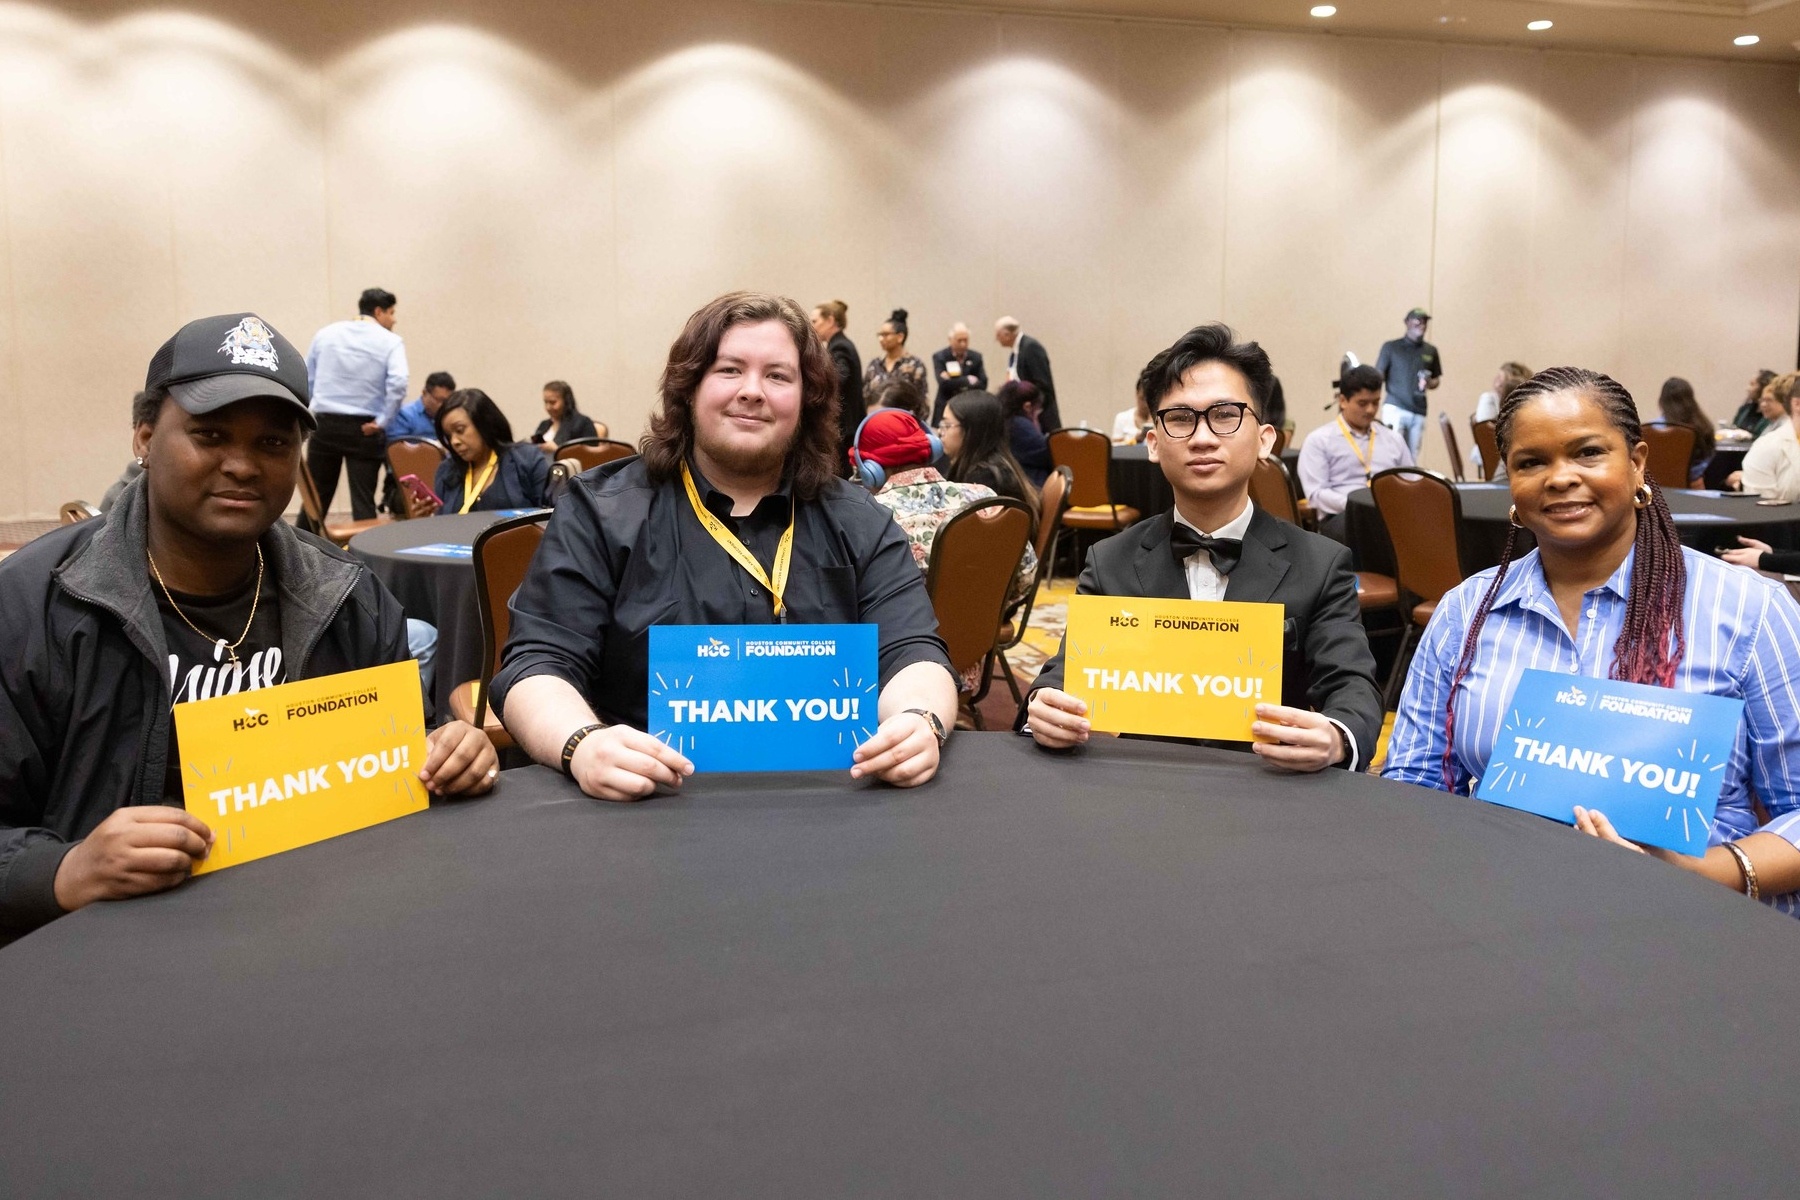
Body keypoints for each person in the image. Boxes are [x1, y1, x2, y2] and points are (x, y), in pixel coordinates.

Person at [0, 313, 497, 945]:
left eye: (272, 444)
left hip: (320, 928)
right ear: (145, 438)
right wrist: (64, 871)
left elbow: (402, 763)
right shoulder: (33, 605)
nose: (242, 465)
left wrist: (449, 755)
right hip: (109, 950)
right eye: (209, 435)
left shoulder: (349, 597)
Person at [492, 291, 959, 800]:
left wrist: (919, 719)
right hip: (645, 805)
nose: (752, 391)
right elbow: (537, 663)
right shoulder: (601, 512)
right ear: (689, 388)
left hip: (831, 803)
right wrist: (582, 743)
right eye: (730, 370)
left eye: (778, 376)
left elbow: (914, 651)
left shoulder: (860, 519)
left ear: (806, 401)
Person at [1384, 367, 1800, 914]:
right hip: (1498, 908)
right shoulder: (1466, 613)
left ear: (1638, 462)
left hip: (1690, 918)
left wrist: (1706, 873)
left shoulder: (1748, 610)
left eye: (1587, 453)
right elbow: (1414, 781)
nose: (1560, 478)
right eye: (1531, 462)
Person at [1022, 323, 1384, 773]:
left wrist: (1335, 737)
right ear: (1153, 443)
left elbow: (1353, 687)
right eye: (1180, 418)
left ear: (1265, 439)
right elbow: (1064, 675)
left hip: (1272, 790)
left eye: (1226, 415)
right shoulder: (1110, 560)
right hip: (1143, 785)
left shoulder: (1321, 563)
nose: (1202, 438)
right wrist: (1045, 706)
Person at [857, 408, 1037, 628]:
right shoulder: (984, 497)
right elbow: (1027, 575)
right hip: (978, 636)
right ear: (931, 448)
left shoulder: (870, 515)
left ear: (870, 470)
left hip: (901, 644)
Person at [305, 287, 409, 521]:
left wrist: (310, 413)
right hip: (365, 429)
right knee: (363, 502)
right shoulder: (391, 341)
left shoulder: (325, 334)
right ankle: (364, 546)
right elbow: (399, 382)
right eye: (391, 313)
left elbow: (307, 377)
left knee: (315, 500)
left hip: (324, 424)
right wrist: (382, 421)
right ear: (379, 311)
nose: (394, 320)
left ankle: (298, 544)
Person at [1296, 363, 1414, 543]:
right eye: (1362, 403)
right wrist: (1358, 506)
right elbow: (1317, 495)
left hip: (1388, 514)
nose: (1370, 410)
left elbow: (1411, 483)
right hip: (1342, 516)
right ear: (1343, 401)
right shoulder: (1319, 440)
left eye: (1376, 402)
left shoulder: (1393, 439)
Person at [427, 389, 551, 514]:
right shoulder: (446, 471)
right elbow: (441, 522)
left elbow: (551, 517)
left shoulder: (527, 459)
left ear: (484, 423)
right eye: (448, 436)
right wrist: (424, 519)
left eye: (460, 430)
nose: (454, 441)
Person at [941, 389, 1038, 508]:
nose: (940, 432)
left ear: (973, 431)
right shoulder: (993, 466)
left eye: (947, 425)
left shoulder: (985, 479)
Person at [1374, 306, 1442, 459]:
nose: (1421, 324)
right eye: (1417, 320)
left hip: (1419, 410)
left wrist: (1428, 382)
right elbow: (1379, 374)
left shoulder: (1430, 351)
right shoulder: (1391, 348)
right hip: (1395, 407)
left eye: (1424, 321)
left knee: (1412, 457)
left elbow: (1436, 380)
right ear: (1407, 322)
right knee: (1392, 454)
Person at [1725, 372, 1798, 496]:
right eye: (1762, 400)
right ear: (1797, 404)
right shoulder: (1767, 447)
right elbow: (1762, 504)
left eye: (1769, 400)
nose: (1763, 404)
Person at [811, 299, 861, 469]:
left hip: (845, 426)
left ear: (830, 320)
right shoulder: (839, 344)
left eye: (815, 321)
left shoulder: (840, 347)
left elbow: (839, 377)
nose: (812, 327)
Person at [995, 316, 1060, 430]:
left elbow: (1042, 383)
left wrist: (1032, 407)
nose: (996, 339)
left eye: (998, 335)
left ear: (1007, 334)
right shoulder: (1015, 352)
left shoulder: (1031, 348)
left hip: (1039, 416)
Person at [862, 309, 929, 411]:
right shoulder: (875, 365)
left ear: (900, 337)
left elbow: (922, 402)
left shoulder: (915, 365)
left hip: (903, 418)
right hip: (877, 417)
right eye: (880, 335)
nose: (881, 339)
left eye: (886, 335)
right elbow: (865, 396)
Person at [1653, 376, 1715, 486]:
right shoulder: (1704, 428)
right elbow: (1708, 464)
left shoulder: (1650, 429)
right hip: (1693, 488)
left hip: (1656, 489)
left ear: (1662, 401)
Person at [999, 379, 1053, 487]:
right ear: (1027, 407)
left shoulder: (1004, 420)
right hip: (1032, 484)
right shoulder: (1020, 425)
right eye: (1037, 410)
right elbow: (1047, 454)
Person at [930, 323, 987, 424]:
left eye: (966, 340)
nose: (963, 344)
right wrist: (968, 380)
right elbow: (943, 384)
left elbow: (983, 383)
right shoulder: (940, 357)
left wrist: (953, 380)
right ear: (950, 340)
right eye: (959, 340)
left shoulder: (976, 357)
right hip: (945, 405)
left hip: (969, 406)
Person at [386, 371, 456, 442]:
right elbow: (396, 446)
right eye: (438, 400)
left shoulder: (448, 416)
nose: (442, 405)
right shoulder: (404, 415)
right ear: (424, 393)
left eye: (446, 401)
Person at [530, 380, 599, 452]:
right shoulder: (543, 425)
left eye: (553, 402)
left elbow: (590, 455)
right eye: (546, 402)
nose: (548, 407)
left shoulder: (582, 423)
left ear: (566, 401)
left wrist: (556, 450)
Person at [1729, 369, 1778, 435]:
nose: (1748, 389)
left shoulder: (1773, 415)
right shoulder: (1744, 409)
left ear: (1764, 387)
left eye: (1752, 384)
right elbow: (1733, 428)